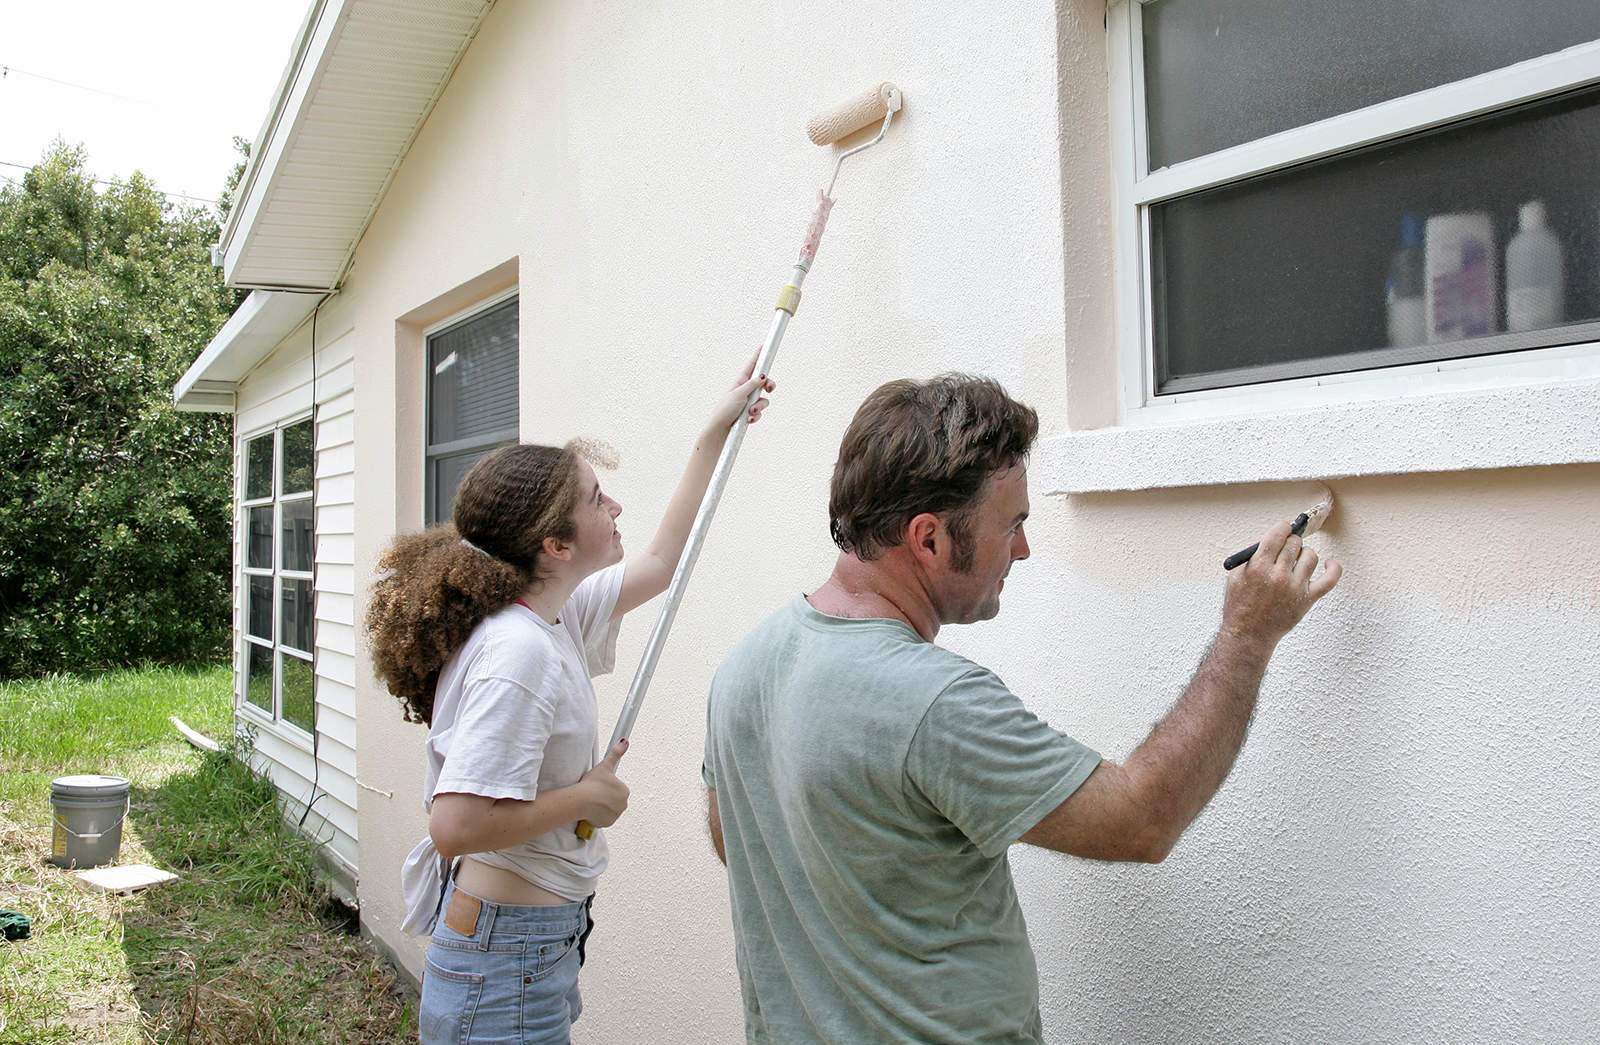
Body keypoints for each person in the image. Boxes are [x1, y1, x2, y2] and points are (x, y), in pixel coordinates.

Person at [703, 373, 1342, 1044]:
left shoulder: (744, 668)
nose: (1024, 549)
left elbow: (735, 837)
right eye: (1010, 526)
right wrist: (1248, 633)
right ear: (929, 539)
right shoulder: (934, 703)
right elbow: (1143, 818)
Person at [366, 359, 774, 1044]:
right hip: (504, 964)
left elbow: (661, 562)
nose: (614, 508)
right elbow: (455, 825)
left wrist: (713, 432)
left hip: (522, 951)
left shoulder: (552, 613)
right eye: (596, 500)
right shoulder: (518, 651)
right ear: (554, 545)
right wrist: (586, 799)